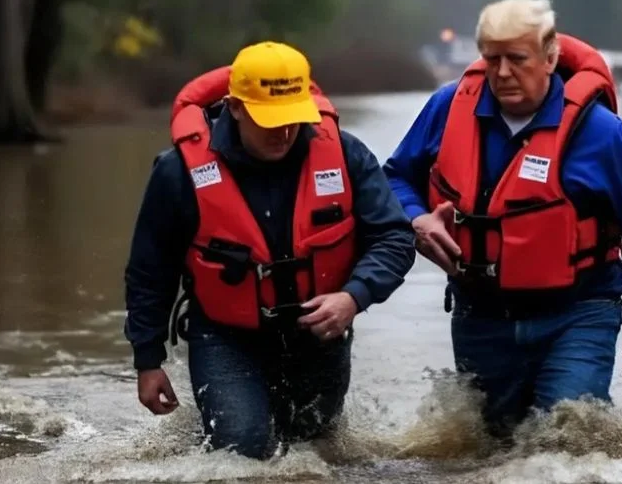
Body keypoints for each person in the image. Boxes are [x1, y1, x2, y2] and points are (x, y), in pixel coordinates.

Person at [383, 0, 622, 438]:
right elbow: (394, 179)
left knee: (567, 440)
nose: (503, 72)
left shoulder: (602, 134)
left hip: (578, 313)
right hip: (481, 316)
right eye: (492, 59)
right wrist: (415, 219)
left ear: (550, 58)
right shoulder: (448, 108)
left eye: (517, 58)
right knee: (492, 451)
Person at [123, 41, 416, 459]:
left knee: (315, 456)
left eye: (293, 119)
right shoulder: (178, 172)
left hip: (318, 337)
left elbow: (394, 237)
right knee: (243, 451)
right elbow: (150, 271)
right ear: (235, 107)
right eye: (269, 120)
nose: (283, 132)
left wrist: (354, 297)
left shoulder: (344, 153)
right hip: (226, 338)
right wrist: (147, 361)